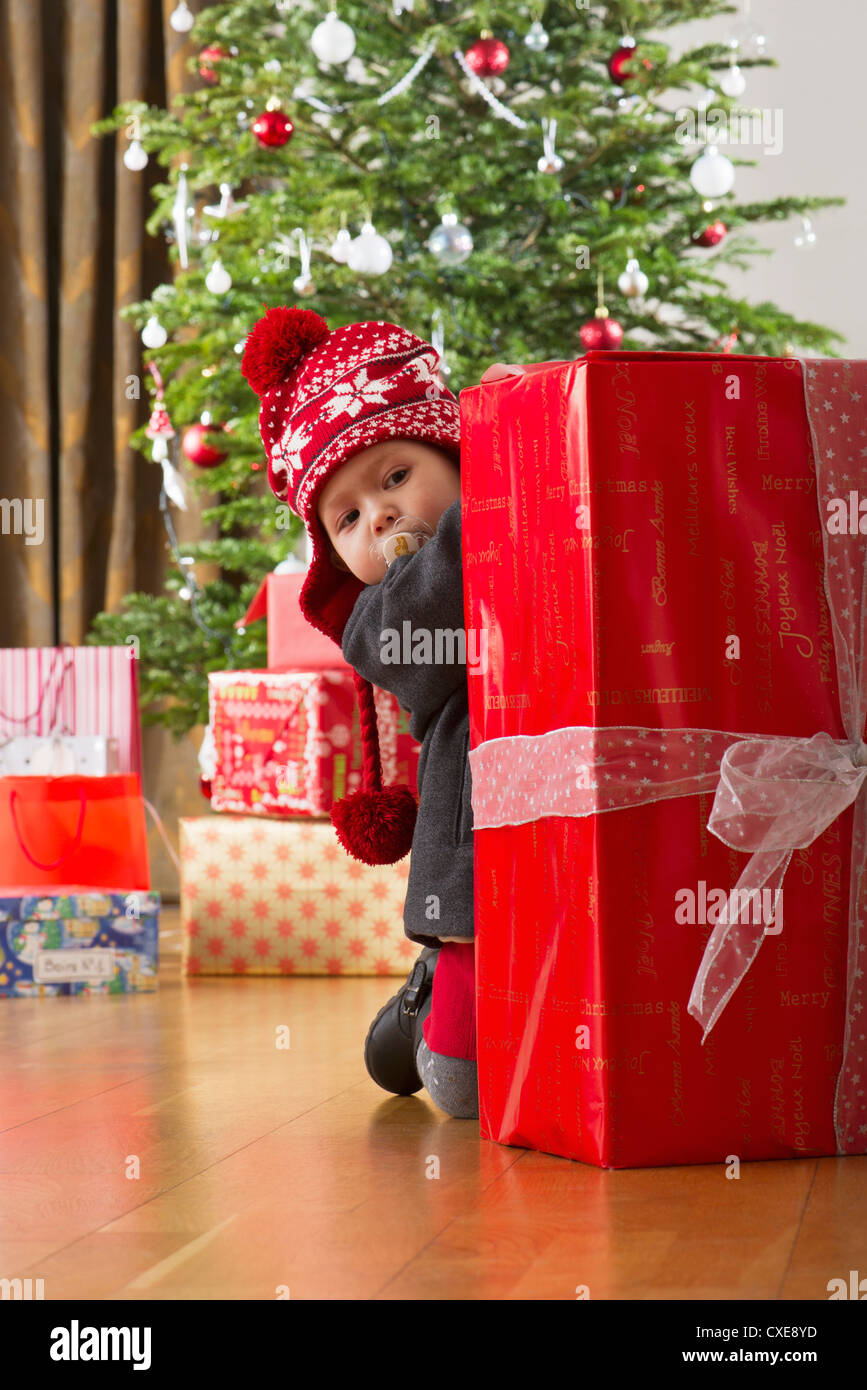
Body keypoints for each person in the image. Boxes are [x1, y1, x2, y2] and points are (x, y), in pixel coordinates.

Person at [241, 305, 478, 1119]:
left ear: (447, 449)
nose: (376, 515)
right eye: (346, 518)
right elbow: (440, 604)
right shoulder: (380, 621)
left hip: (570, 839)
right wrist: (498, 475)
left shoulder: (537, 531)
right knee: (458, 1082)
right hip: (470, 876)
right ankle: (430, 993)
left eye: (395, 477)